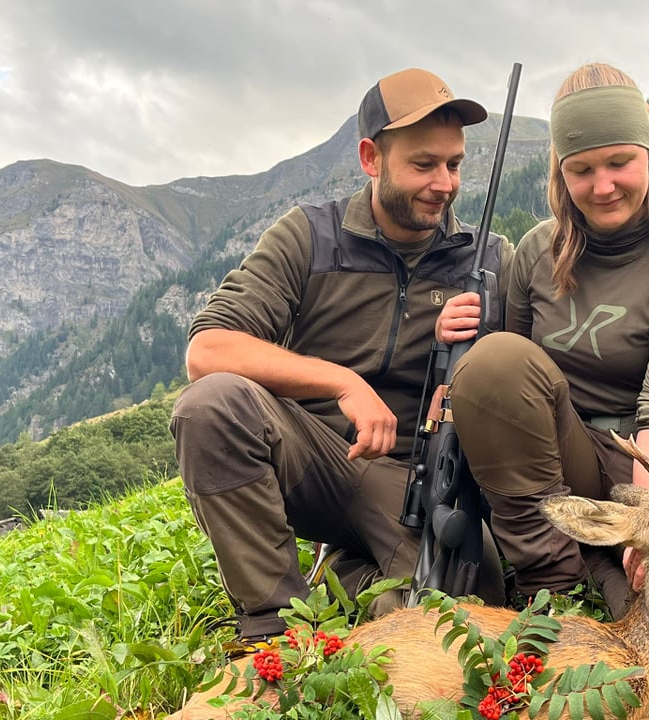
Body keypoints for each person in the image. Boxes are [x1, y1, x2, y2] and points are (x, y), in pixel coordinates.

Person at [166, 67, 513, 717]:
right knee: (210, 406)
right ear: (369, 158)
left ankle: (353, 581)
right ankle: (273, 637)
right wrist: (340, 380)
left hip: (426, 483)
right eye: (423, 165)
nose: (444, 184)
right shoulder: (309, 237)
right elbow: (207, 350)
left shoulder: (490, 255)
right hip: (321, 463)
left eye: (455, 165)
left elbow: (550, 367)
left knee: (445, 619)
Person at [436, 62, 649, 620]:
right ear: (560, 173)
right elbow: (506, 384)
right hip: (566, 450)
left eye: (619, 162)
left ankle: (606, 559)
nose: (603, 187)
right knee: (494, 360)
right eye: (582, 169)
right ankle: (550, 576)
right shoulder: (535, 253)